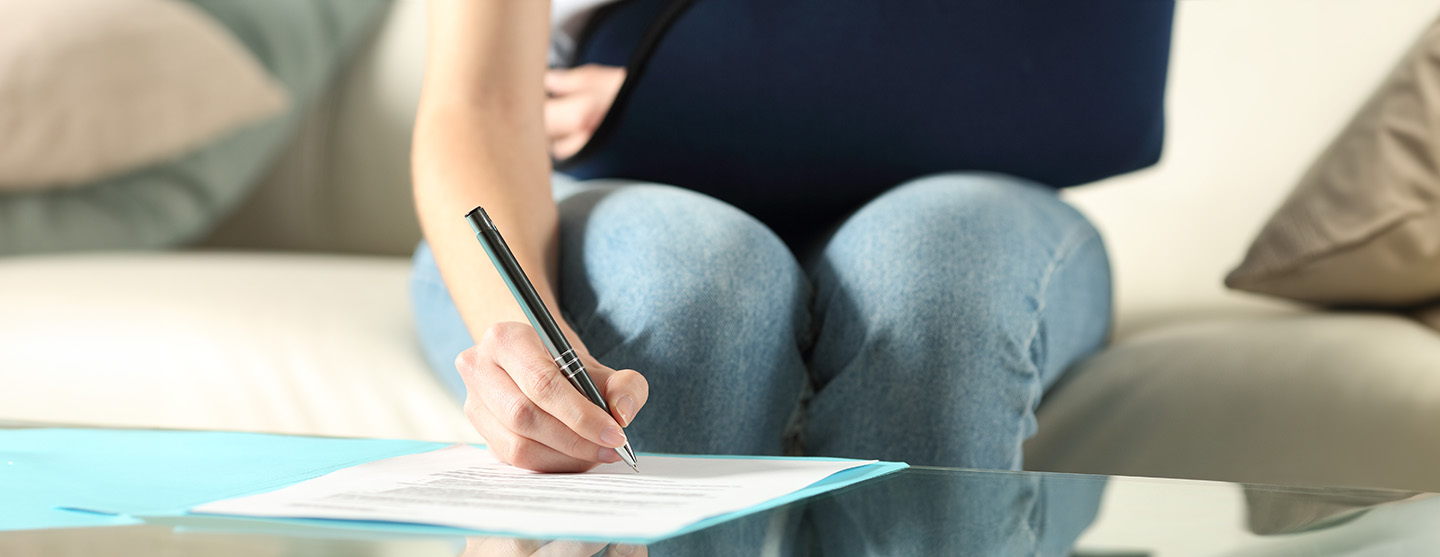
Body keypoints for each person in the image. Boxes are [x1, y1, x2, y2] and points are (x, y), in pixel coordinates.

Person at [409, 0, 1170, 476]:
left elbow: (1090, 64)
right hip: (620, 183)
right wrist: (521, 342)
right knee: (689, 293)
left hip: (975, 182)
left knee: (940, 297)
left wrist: (712, 91)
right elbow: (478, 101)